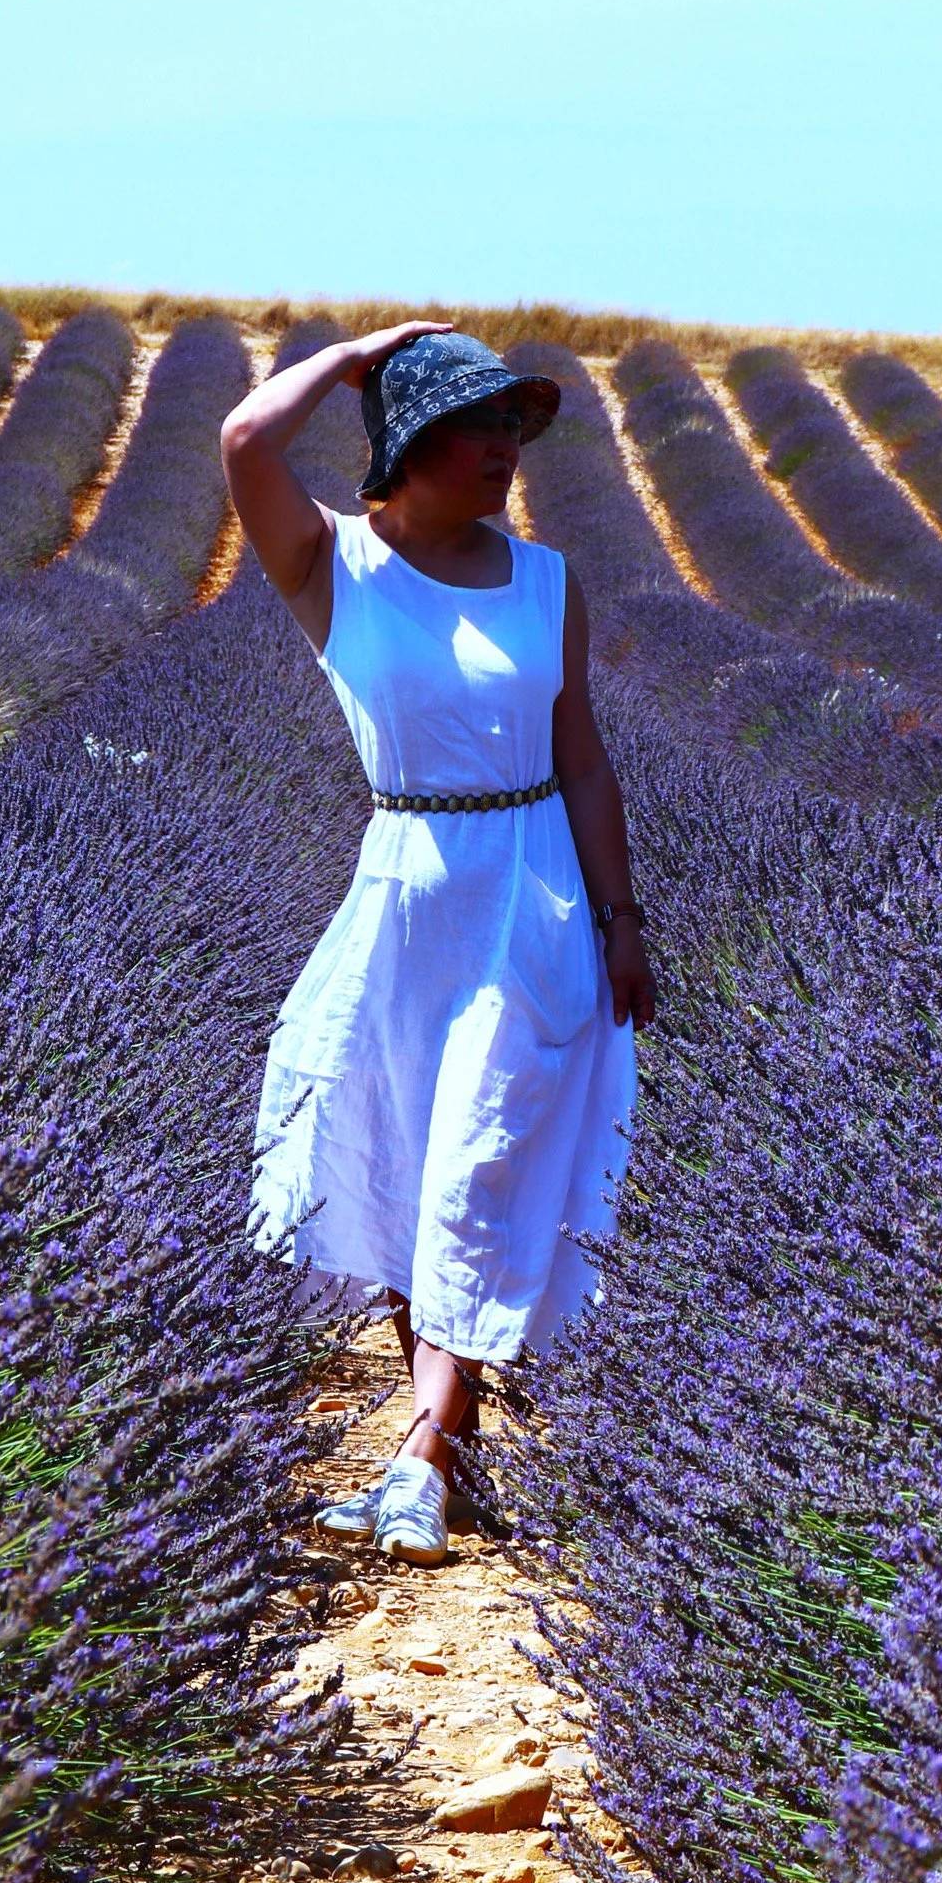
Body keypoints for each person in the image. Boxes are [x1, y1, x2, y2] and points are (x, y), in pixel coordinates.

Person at [222, 323, 652, 1567]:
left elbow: (582, 759)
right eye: (477, 426)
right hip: (404, 887)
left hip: (533, 895)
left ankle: (416, 1458)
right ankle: (445, 1455)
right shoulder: (333, 566)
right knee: (412, 1165)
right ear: (407, 446)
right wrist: (357, 353)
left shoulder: (545, 580)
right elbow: (246, 438)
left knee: (480, 1158)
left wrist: (623, 921)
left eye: (513, 425)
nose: (504, 450)